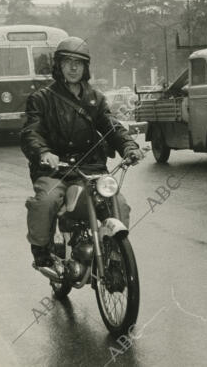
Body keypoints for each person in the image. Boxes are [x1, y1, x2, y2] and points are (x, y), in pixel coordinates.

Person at [20, 36, 143, 268]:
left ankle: (116, 259)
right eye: (67, 62)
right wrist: (44, 152)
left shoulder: (95, 99)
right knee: (46, 201)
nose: (73, 67)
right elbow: (31, 132)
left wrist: (129, 146)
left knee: (119, 204)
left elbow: (111, 126)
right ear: (59, 66)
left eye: (79, 62)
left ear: (86, 67)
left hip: (91, 169)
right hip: (56, 170)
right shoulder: (41, 99)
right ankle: (41, 250)